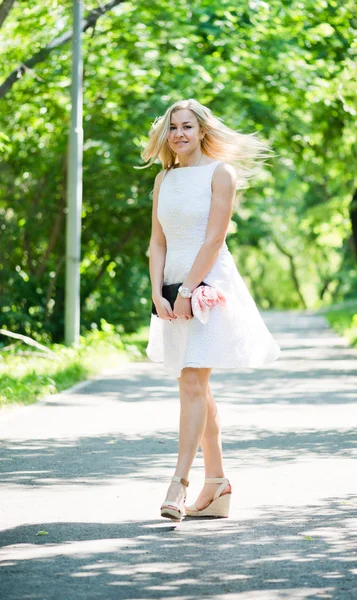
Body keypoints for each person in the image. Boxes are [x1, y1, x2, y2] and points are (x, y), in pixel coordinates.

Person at [142, 99, 280, 521]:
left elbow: (214, 239)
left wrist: (187, 290)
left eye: (187, 126)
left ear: (202, 130)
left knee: (191, 382)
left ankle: (178, 486)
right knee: (197, 386)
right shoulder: (165, 179)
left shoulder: (221, 173)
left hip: (209, 285)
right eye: (172, 128)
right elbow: (158, 242)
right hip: (170, 289)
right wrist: (158, 293)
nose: (179, 134)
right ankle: (217, 483)